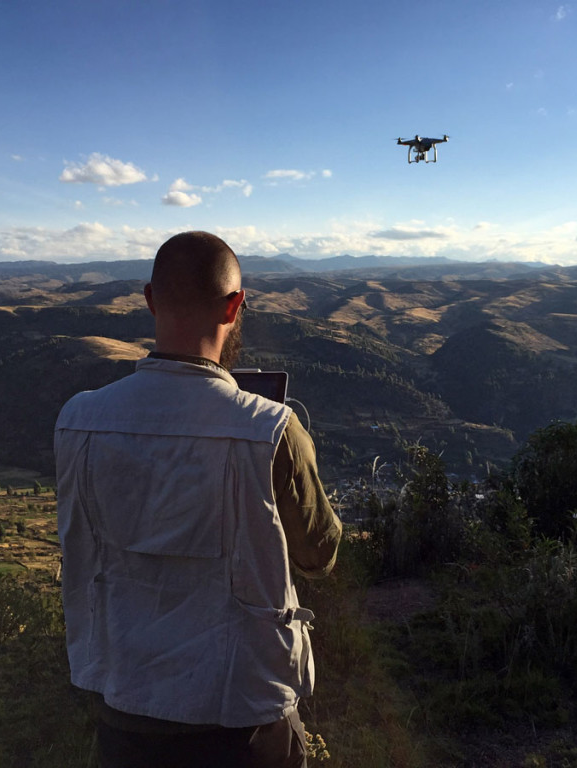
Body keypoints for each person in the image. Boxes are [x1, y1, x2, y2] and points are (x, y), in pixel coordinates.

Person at [55, 231, 342, 768]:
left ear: (150, 301)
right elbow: (319, 555)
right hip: (243, 713)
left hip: (126, 704)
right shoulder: (272, 429)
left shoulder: (78, 421)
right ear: (235, 306)